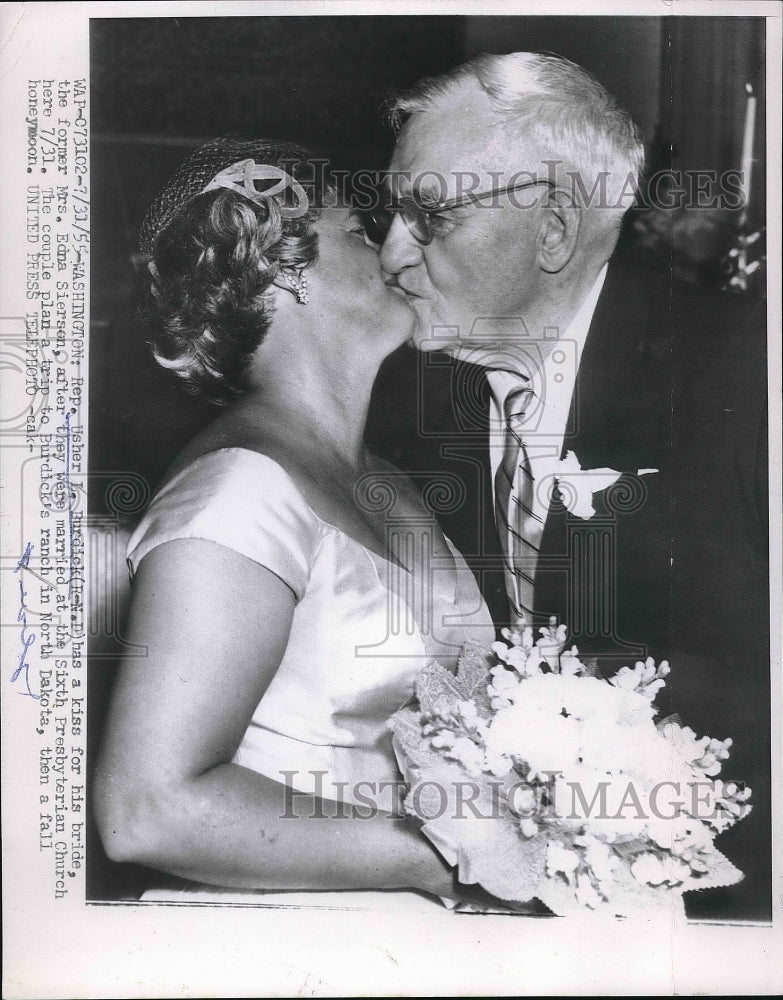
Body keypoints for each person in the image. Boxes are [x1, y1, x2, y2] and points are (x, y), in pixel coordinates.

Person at [367, 52, 770, 921]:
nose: (391, 255)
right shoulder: (400, 401)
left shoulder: (745, 377)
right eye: (390, 214)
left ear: (553, 227)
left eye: (429, 215)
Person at [92, 137, 496, 907]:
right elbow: (146, 811)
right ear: (280, 267)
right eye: (361, 232)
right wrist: (439, 855)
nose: (396, 251)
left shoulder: (393, 486)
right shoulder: (240, 489)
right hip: (282, 938)